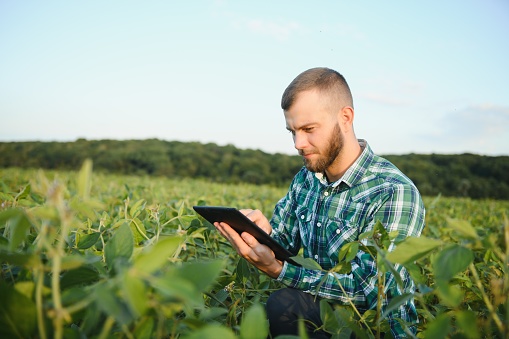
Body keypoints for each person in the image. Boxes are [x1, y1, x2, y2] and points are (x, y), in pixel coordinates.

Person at [214, 67, 426, 338]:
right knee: (284, 306)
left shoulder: (393, 191)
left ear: (345, 118)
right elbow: (286, 246)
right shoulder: (306, 178)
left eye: (308, 129)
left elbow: (369, 291)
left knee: (285, 303)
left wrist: (279, 270)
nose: (298, 143)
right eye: (292, 131)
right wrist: (263, 235)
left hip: (373, 327)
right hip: (320, 314)